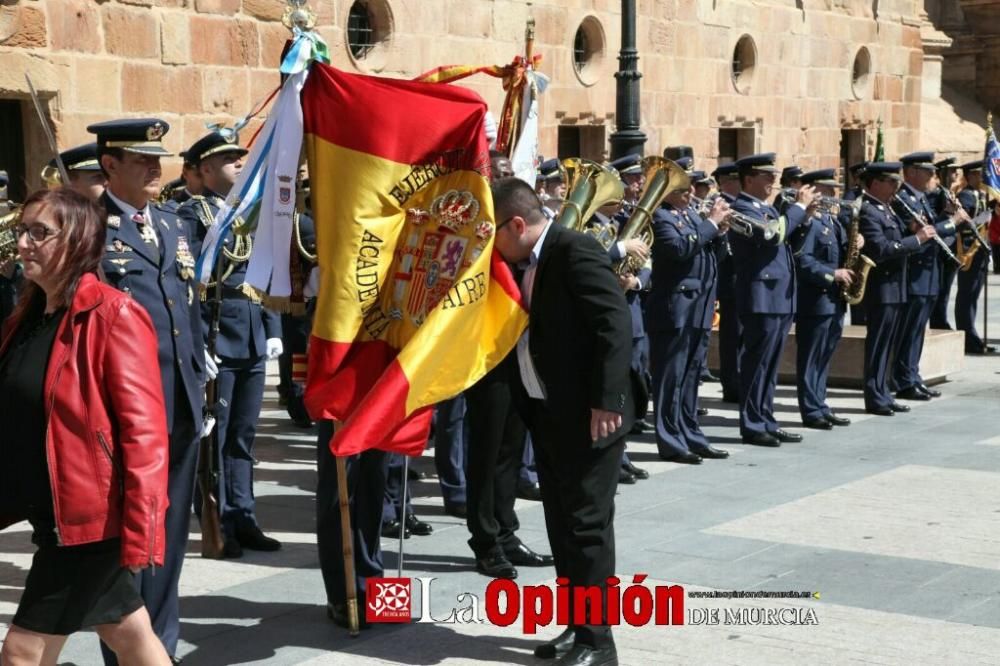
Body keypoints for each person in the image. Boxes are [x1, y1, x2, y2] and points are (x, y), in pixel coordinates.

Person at [0, 188, 170, 665]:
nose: (24, 244)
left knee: (21, 654)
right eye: (22, 231)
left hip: (88, 522)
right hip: (48, 507)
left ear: (77, 240)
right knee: (128, 634)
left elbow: (146, 434)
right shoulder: (31, 314)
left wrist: (145, 528)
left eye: (39, 233)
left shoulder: (114, 315)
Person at [493, 177, 634, 666]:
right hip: (550, 413)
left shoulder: (574, 250)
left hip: (591, 415)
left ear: (516, 224)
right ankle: (577, 626)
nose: (494, 248)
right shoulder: (529, 261)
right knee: (562, 524)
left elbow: (613, 323)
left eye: (496, 235)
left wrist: (608, 400)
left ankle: (600, 641)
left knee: (587, 525)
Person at [88, 118, 206, 664]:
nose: (155, 167)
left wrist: (201, 373)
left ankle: (162, 646)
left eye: (157, 157)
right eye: (140, 160)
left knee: (171, 536)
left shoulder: (174, 223)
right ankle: (131, 654)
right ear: (110, 166)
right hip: (129, 412)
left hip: (180, 400)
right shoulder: (90, 231)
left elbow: (187, 306)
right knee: (133, 542)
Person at [177, 130, 284, 558]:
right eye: (228, 159)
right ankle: (216, 522)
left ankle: (244, 515)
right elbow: (188, 285)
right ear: (205, 170)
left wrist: (273, 328)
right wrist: (197, 341)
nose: (239, 163)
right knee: (214, 440)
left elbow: (265, 273)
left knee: (243, 435)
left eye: (240, 157)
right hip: (217, 336)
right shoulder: (192, 215)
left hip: (253, 335)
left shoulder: (250, 212)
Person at [729, 153, 816, 447]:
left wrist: (805, 217)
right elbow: (771, 236)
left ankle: (766, 419)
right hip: (760, 297)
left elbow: (787, 242)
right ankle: (752, 425)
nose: (773, 182)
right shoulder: (741, 207)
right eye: (767, 177)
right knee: (756, 364)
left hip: (778, 296)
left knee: (770, 365)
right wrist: (798, 208)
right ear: (749, 179)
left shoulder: (764, 208)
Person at [648, 174, 731, 463]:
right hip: (677, 308)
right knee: (671, 376)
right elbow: (679, 249)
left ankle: (690, 433)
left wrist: (720, 233)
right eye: (683, 188)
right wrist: (710, 224)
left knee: (692, 374)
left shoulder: (690, 215)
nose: (690, 192)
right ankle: (670, 441)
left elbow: (710, 255)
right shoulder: (661, 217)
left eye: (690, 187)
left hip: (700, 305)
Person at [858, 162, 937, 415]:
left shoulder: (887, 209)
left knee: (888, 344)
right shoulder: (869, 211)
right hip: (881, 288)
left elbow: (896, 238)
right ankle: (874, 396)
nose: (895, 186)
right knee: (878, 344)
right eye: (891, 182)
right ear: (876, 183)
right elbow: (882, 249)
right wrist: (917, 239)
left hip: (896, 286)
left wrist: (913, 229)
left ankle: (883, 392)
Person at [890, 152, 958, 402]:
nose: (933, 175)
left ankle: (913, 375)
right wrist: (951, 223)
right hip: (914, 275)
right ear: (911, 172)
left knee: (918, 330)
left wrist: (946, 215)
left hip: (929, 274)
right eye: (927, 171)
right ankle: (903, 380)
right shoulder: (902, 198)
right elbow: (922, 232)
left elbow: (932, 227)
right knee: (908, 331)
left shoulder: (922, 199)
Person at [791, 169, 855, 429]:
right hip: (815, 299)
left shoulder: (832, 221)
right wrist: (832, 274)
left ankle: (820, 403)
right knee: (811, 357)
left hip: (834, 299)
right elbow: (802, 260)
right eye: (828, 190)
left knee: (825, 355)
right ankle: (811, 409)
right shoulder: (810, 222)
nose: (833, 195)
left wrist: (855, 241)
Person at [954, 160, 995, 353]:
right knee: (966, 296)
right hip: (969, 252)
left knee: (973, 296)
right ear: (970, 176)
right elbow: (963, 223)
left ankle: (973, 336)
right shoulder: (966, 196)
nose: (982, 178)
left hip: (981, 252)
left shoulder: (981, 194)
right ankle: (967, 336)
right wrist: (983, 218)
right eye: (979, 175)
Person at [713, 162, 742, 403]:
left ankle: (738, 380)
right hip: (729, 278)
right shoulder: (720, 204)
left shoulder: (739, 205)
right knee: (732, 335)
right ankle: (732, 384)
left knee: (741, 335)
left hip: (742, 278)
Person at [928, 157, 958, 329]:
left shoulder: (949, 192)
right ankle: (938, 321)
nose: (956, 174)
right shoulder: (937, 194)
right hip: (940, 246)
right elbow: (933, 221)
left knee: (946, 288)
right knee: (939, 289)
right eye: (952, 170)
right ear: (943, 173)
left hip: (950, 245)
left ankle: (941, 319)